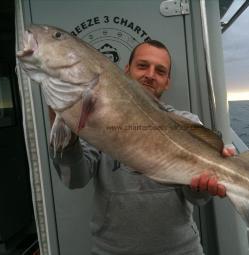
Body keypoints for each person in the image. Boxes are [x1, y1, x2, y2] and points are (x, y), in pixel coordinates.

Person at [50, 40, 234, 255]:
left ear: (167, 82)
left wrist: (202, 187)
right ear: (126, 71)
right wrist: (67, 136)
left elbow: (198, 199)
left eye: (160, 71)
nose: (150, 75)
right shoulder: (95, 121)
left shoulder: (187, 123)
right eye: (142, 66)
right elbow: (74, 179)